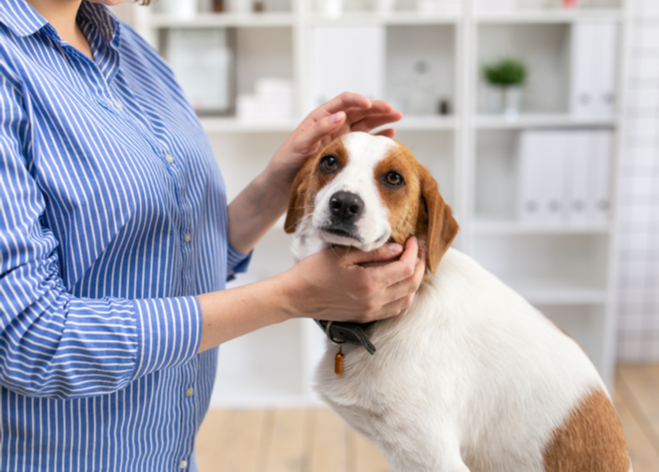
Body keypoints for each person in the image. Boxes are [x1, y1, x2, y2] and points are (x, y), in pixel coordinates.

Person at [0, 0, 426, 470]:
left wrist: (277, 185)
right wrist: (292, 297)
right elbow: (29, 340)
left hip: (171, 454)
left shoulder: (131, 52)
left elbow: (171, 259)